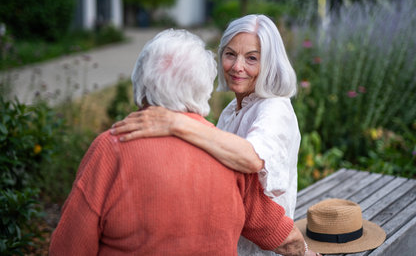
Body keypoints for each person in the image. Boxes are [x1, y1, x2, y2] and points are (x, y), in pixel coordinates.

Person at [49, 29, 313, 256]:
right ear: (203, 87)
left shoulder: (111, 149)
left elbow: (68, 247)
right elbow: (280, 234)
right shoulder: (224, 149)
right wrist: (306, 251)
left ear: (140, 80)